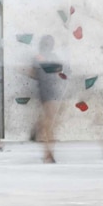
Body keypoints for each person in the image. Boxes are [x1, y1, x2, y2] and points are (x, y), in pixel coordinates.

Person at [29, 35, 63, 163]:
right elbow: (61, 72)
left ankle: (38, 128)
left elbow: (32, 73)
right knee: (50, 124)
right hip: (53, 92)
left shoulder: (36, 58)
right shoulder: (54, 58)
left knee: (48, 121)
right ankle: (48, 154)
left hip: (43, 92)